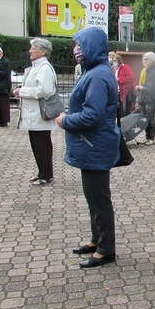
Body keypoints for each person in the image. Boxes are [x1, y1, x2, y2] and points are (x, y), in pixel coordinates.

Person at [56, 27, 120, 269]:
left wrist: (65, 121)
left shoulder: (96, 75)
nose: (76, 50)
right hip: (92, 145)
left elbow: (91, 115)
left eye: (80, 46)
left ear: (92, 47)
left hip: (95, 145)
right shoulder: (94, 71)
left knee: (99, 200)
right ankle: (96, 241)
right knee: (93, 198)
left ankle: (106, 251)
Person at [13, 38, 58, 185]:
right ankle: (42, 172)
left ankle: (46, 174)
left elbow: (43, 90)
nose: (30, 51)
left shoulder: (44, 68)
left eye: (34, 48)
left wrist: (22, 91)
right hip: (33, 113)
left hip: (39, 113)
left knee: (42, 146)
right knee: (36, 145)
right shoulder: (35, 67)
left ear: (43, 51)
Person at [135, 52, 155, 145]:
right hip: (144, 97)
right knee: (145, 118)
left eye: (146, 59)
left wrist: (143, 87)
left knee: (150, 118)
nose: (144, 61)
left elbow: (154, 87)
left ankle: (151, 138)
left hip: (151, 98)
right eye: (144, 59)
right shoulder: (145, 70)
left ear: (152, 60)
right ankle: (147, 137)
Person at [113, 53, 135, 118]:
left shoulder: (125, 67)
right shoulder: (113, 69)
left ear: (119, 61)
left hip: (125, 92)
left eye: (115, 61)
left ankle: (125, 126)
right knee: (118, 112)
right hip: (116, 92)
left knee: (125, 111)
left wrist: (119, 79)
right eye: (113, 61)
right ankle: (119, 126)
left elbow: (132, 77)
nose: (114, 62)